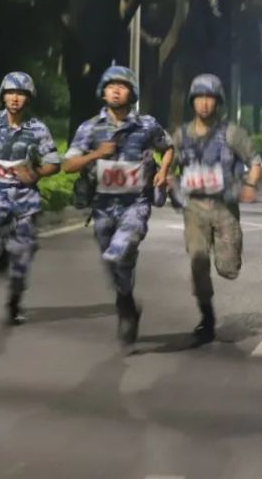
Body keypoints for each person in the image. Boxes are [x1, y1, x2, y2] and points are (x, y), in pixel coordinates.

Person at [62, 65, 174, 345]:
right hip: (102, 206)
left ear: (131, 93)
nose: (115, 90)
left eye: (122, 86)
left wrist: (163, 171)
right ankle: (126, 305)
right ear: (103, 92)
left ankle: (125, 305)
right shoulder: (90, 128)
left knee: (119, 250)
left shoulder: (146, 125)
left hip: (135, 203)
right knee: (114, 262)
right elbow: (68, 165)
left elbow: (168, 147)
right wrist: (95, 154)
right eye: (111, 86)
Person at [0, 72, 61, 325]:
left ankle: (15, 302)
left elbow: (54, 163)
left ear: (28, 98)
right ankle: (0, 254)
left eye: (20, 94)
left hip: (25, 200)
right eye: (10, 93)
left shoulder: (37, 129)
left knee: (23, 256)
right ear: (3, 96)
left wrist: (36, 173)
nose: (14, 98)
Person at [171, 74, 262, 343]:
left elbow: (254, 161)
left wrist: (250, 185)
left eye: (210, 98)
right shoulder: (181, 135)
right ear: (192, 101)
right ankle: (207, 317)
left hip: (224, 207)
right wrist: (168, 184)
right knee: (198, 260)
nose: (204, 103)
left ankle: (230, 257)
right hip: (194, 207)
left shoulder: (232, 134)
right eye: (199, 97)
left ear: (218, 102)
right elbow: (168, 165)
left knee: (227, 268)